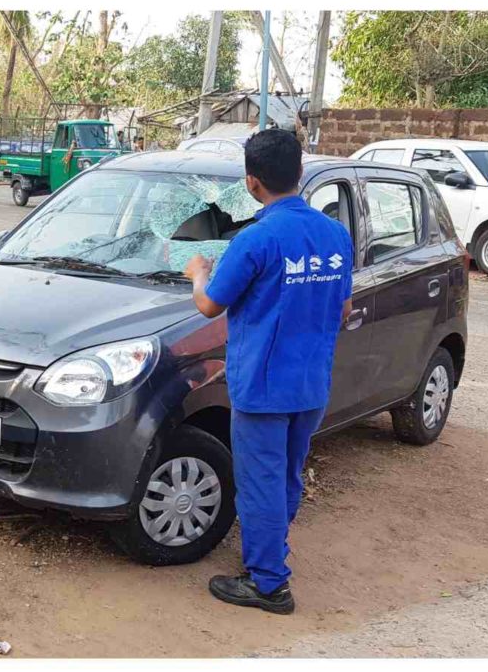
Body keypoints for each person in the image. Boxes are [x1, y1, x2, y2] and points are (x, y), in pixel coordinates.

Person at [182, 129, 354, 615]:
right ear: (299, 173)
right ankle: (270, 552)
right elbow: (341, 312)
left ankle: (269, 584)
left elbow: (210, 306)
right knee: (285, 478)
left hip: (262, 385)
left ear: (252, 182)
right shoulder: (335, 235)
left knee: (260, 481)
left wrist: (197, 271)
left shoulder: (256, 239)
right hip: (310, 384)